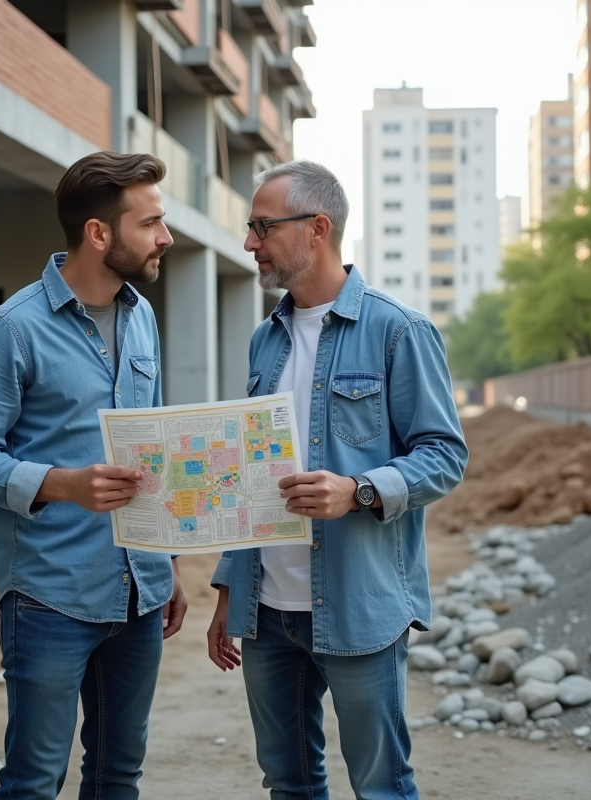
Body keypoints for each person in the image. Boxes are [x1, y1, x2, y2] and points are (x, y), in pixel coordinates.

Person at [206, 160, 468, 800]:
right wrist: (226, 588)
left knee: (381, 784)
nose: (249, 243)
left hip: (359, 605)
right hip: (267, 611)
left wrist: (359, 491)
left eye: (262, 227)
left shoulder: (398, 330)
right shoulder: (262, 343)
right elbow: (248, 474)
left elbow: (445, 456)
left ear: (317, 228)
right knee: (288, 782)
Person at [0, 151, 187, 800]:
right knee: (33, 782)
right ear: (98, 233)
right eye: (152, 223)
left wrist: (170, 564)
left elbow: (151, 452)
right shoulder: (8, 331)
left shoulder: (143, 318)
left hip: (140, 591)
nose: (166, 237)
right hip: (50, 595)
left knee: (118, 775)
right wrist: (62, 483)